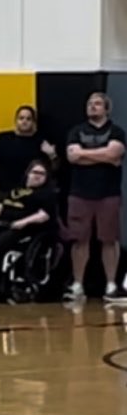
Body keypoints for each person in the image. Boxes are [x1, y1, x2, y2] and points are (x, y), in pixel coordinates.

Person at [65, 92, 126, 303]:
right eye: (90, 103)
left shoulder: (116, 131)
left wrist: (85, 154)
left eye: (97, 103)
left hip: (107, 194)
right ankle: (78, 284)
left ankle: (111, 285)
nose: (92, 106)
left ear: (106, 109)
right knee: (79, 240)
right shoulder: (76, 131)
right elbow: (72, 156)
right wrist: (102, 156)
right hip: (80, 193)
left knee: (109, 239)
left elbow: (114, 154)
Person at [0, 159, 56, 293]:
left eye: (41, 174)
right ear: (28, 173)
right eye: (34, 172)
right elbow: (1, 204)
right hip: (2, 223)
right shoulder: (16, 190)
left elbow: (44, 215)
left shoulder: (46, 194)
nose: (37, 175)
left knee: (0, 242)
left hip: (24, 227)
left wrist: (23, 222)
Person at [0, 105, 56, 203]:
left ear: (33, 122)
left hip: (33, 195)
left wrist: (52, 155)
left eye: (28, 119)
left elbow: (54, 169)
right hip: (4, 193)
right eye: (21, 118)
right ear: (16, 120)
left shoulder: (41, 142)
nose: (24, 121)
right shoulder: (3, 139)